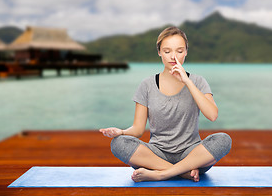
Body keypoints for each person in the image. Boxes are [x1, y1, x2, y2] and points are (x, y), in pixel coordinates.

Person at [99, 26, 231, 182]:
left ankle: (162, 173)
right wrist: (120, 132)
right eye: (167, 51)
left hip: (192, 154)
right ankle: (182, 172)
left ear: (186, 52)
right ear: (159, 52)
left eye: (179, 51)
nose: (173, 57)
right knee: (118, 144)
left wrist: (187, 81)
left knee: (224, 140)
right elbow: (138, 129)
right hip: (156, 154)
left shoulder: (198, 81)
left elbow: (212, 115)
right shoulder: (147, 85)